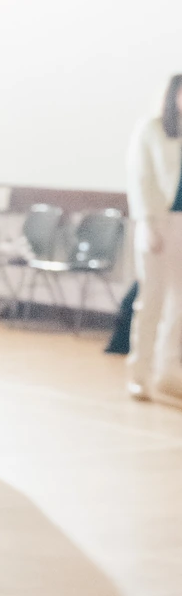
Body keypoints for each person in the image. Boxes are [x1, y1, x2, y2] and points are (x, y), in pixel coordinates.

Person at [125, 72, 182, 405]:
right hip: (157, 222)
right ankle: (139, 373)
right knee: (152, 299)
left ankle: (168, 371)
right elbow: (140, 178)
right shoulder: (151, 129)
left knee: (180, 303)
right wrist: (147, 223)